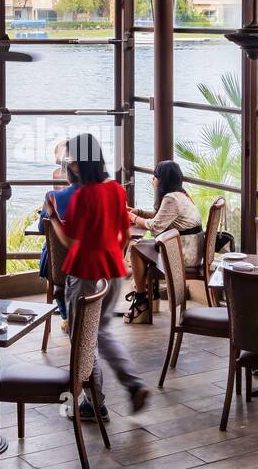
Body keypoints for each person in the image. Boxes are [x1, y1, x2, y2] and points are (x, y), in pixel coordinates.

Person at [44, 132, 150, 421]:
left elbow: (69, 242)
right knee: (100, 332)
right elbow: (125, 235)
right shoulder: (115, 189)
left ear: (77, 164)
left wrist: (52, 216)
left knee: (84, 338)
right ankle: (133, 383)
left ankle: (94, 403)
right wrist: (112, 259)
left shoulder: (82, 196)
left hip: (84, 273)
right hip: (113, 272)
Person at [125, 159, 201, 320]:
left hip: (183, 255)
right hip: (191, 250)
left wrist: (131, 216)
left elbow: (154, 227)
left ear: (161, 179)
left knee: (136, 250)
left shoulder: (171, 199)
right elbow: (162, 216)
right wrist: (138, 211)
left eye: (155, 176)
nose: (153, 180)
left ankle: (141, 302)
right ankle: (152, 298)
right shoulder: (181, 195)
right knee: (143, 247)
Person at [38, 140, 79, 328]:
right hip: (94, 263)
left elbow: (41, 228)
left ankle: (66, 315)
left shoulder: (53, 197)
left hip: (61, 265)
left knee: (49, 250)